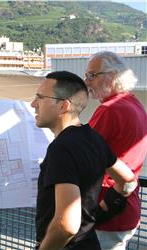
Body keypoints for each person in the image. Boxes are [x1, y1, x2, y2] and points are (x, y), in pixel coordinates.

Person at [31, 71, 136, 250]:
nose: (33, 104)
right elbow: (127, 181)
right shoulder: (94, 138)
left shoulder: (61, 148)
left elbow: (67, 225)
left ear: (64, 106)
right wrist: (99, 212)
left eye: (40, 97)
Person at [85, 51, 147, 249]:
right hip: (126, 206)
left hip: (107, 210)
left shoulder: (109, 110)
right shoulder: (134, 104)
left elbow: (83, 155)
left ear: (112, 76)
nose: (87, 82)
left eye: (91, 75)